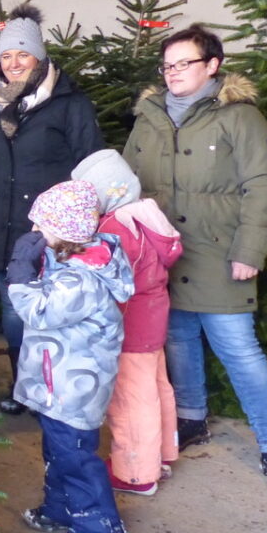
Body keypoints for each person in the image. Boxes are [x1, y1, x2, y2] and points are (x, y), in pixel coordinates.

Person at [123, 24, 267, 498]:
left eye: (184, 63)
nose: (173, 72)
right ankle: (192, 420)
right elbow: (129, 182)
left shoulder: (239, 118)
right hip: (164, 256)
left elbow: (264, 184)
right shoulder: (149, 116)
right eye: (167, 65)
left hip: (220, 256)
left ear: (212, 66)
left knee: (239, 350)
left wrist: (249, 250)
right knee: (179, 341)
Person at [0, 4, 103, 414]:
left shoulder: (69, 105)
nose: (13, 63)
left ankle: (57, 390)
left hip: (54, 234)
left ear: (39, 57)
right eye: (5, 55)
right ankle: (24, 387)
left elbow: (92, 167)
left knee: (53, 313)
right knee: (15, 312)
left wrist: (84, 227)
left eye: (22, 55)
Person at [7, 180, 133, 533]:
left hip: (72, 388)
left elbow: (40, 312)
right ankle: (60, 509)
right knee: (59, 451)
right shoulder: (69, 263)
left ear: (63, 232)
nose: (33, 232)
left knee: (75, 458)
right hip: (57, 383)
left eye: (40, 225)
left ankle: (99, 532)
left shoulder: (79, 279)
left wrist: (19, 275)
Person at [73, 149, 182, 495]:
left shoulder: (116, 228)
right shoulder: (147, 214)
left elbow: (110, 285)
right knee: (155, 389)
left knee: (130, 400)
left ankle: (135, 472)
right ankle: (159, 457)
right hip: (153, 322)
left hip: (129, 328)